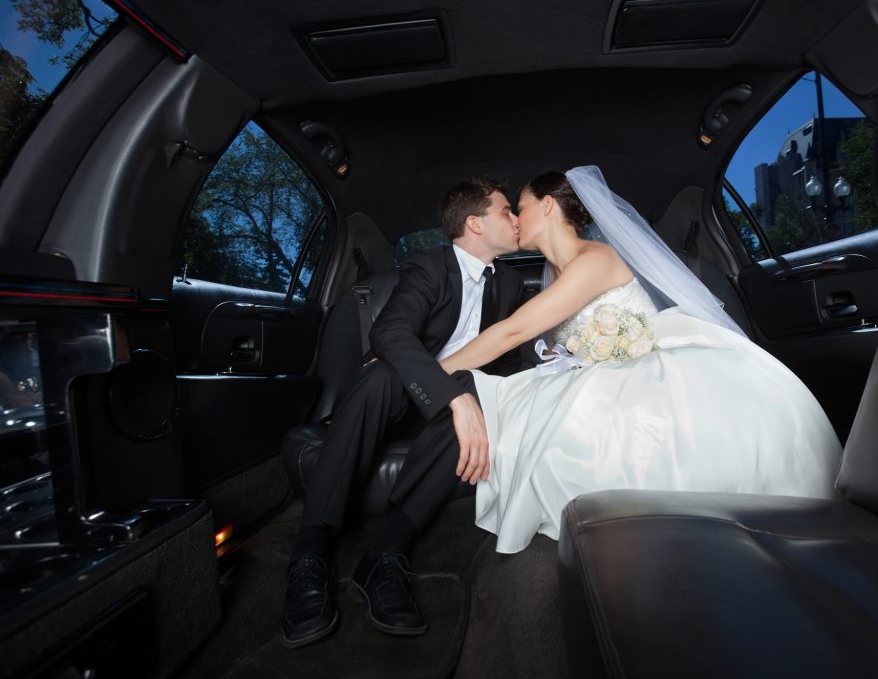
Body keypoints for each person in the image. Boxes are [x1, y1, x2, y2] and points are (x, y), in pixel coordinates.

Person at [437, 166, 843, 554]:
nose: (515, 220)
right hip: (598, 370)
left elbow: (512, 332)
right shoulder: (555, 270)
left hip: (647, 368)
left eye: (519, 208)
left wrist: (434, 372)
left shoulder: (593, 259)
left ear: (546, 206)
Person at [282, 177, 524, 646]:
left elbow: (508, 363)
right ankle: (310, 552)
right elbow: (390, 334)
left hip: (452, 402)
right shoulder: (430, 266)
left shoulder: (511, 283)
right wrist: (451, 395)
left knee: (480, 394)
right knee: (382, 375)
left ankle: (387, 555)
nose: (517, 219)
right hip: (399, 395)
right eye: (507, 210)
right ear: (475, 223)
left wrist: (476, 398)